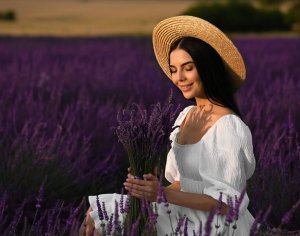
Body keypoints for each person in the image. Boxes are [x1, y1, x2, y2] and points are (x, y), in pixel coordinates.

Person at [79, 15, 256, 236]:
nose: (178, 77)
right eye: (173, 69)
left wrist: (162, 195)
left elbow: (230, 205)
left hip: (216, 224)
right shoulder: (186, 115)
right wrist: (147, 187)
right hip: (183, 209)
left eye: (188, 68)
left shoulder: (228, 127)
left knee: (106, 222)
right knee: (97, 213)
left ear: (207, 67)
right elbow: (182, 182)